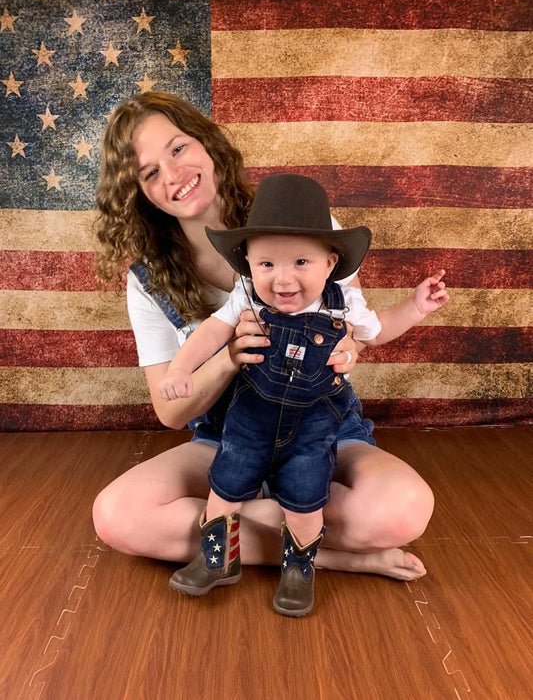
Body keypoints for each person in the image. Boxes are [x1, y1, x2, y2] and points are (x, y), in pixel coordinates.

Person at [92, 91, 437, 605]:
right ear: (140, 193)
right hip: (229, 435)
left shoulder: (306, 221)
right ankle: (320, 555)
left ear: (208, 145)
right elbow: (170, 410)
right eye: (148, 173)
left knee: (403, 509)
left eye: (178, 149)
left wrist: (351, 349)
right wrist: (229, 357)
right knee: (117, 516)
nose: (171, 174)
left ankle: (245, 543)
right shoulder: (150, 280)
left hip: (320, 426)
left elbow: (352, 330)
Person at [159, 172, 448, 616]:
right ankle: (217, 557)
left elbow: (377, 332)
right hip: (250, 419)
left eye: (300, 263)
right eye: (267, 264)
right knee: (226, 485)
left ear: (331, 263)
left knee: (306, 499)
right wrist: (181, 367)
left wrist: (414, 308)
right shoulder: (246, 297)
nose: (282, 279)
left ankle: (299, 568)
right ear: (248, 263)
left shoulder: (342, 304)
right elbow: (210, 332)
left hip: (313, 426)